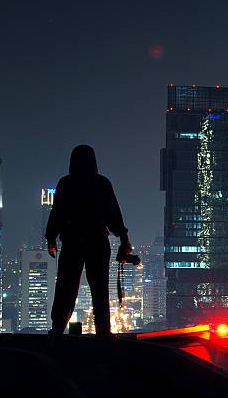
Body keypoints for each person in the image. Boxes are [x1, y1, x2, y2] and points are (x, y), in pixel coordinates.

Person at [45, 144, 132, 339]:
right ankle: (103, 332)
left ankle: (58, 328)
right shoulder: (102, 183)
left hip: (72, 242)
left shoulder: (66, 184)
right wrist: (124, 238)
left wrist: (51, 238)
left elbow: (56, 214)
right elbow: (114, 215)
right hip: (97, 242)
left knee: (66, 288)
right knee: (99, 289)